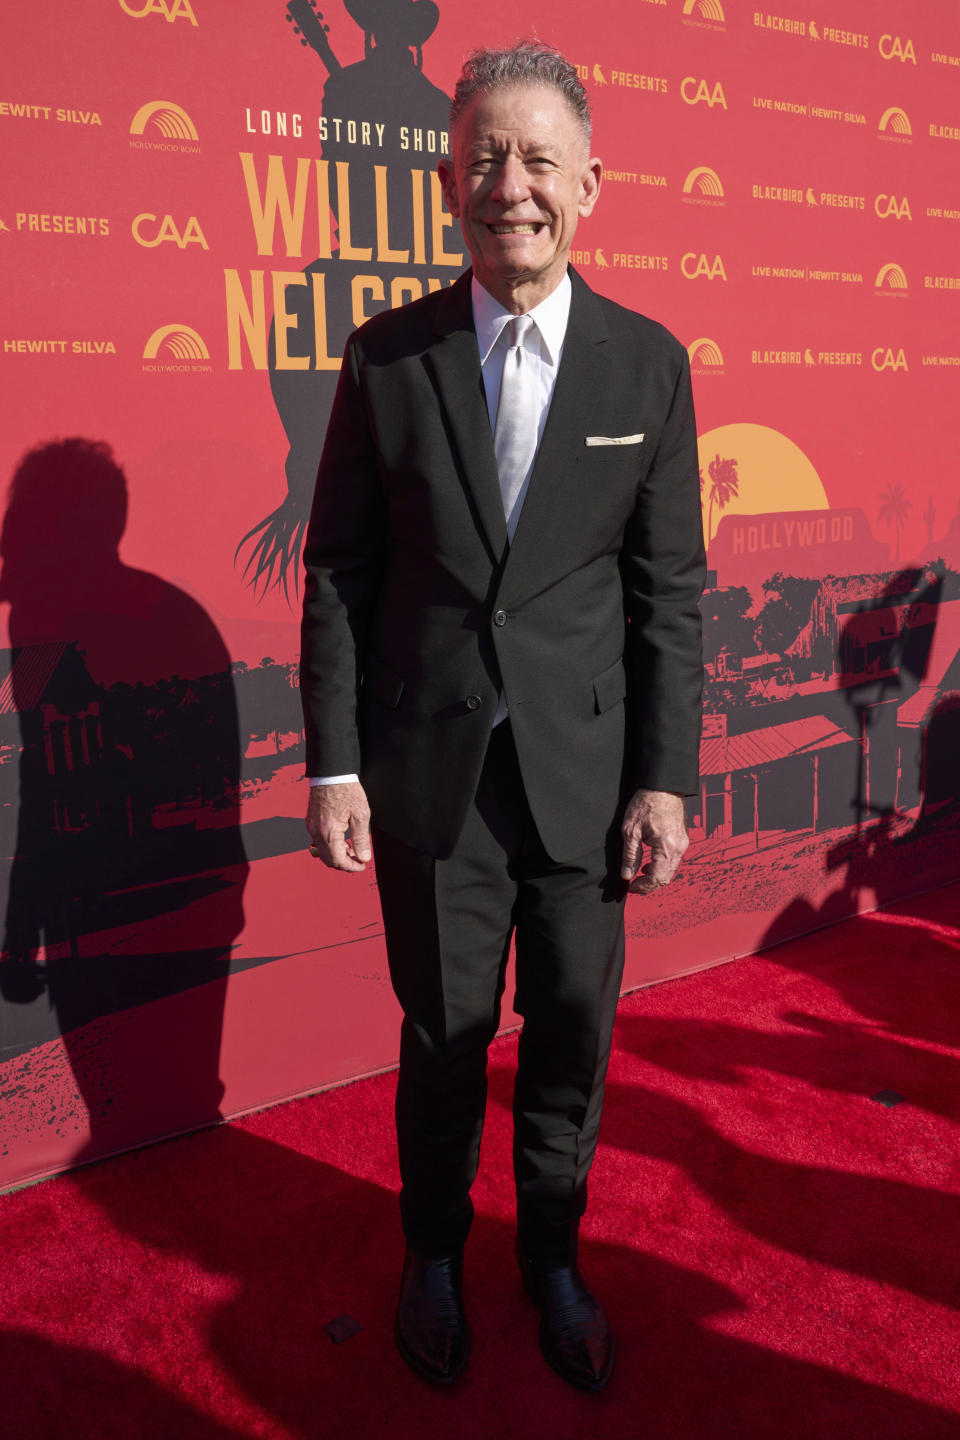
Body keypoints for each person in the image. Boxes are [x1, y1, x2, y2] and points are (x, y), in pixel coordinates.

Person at [300, 40, 705, 1391]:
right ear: (448, 180)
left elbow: (668, 594)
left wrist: (665, 781)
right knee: (442, 1037)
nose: (510, 186)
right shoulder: (388, 357)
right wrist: (336, 765)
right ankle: (431, 1252)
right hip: (430, 774)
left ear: (591, 186)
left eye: (538, 160)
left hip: (587, 782)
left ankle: (553, 1259)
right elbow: (343, 571)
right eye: (483, 159)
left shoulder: (649, 367)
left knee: (573, 1035)